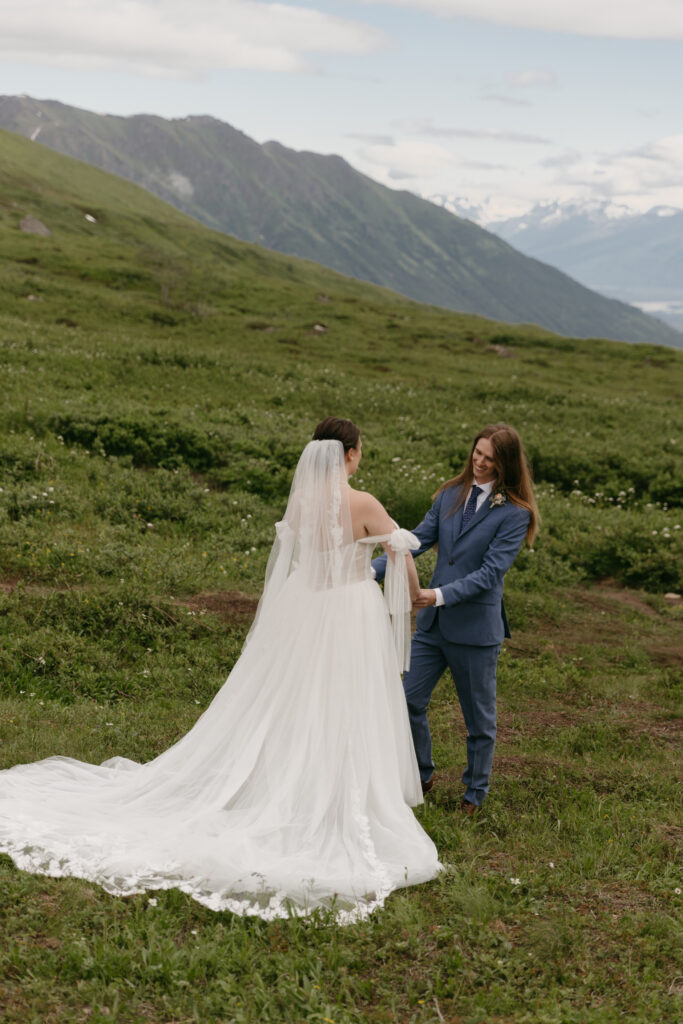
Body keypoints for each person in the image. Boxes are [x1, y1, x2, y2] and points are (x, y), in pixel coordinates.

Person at [0, 418, 441, 923]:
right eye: (359, 451)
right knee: (344, 697)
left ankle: (280, 776)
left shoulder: (301, 502)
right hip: (346, 613)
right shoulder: (362, 503)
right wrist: (413, 596)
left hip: (302, 609)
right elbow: (400, 550)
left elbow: (296, 558)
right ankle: (338, 789)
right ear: (351, 454)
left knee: (290, 699)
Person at [373, 423, 538, 815]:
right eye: (477, 454)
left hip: (474, 631)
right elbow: (414, 541)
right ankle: (422, 773)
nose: (479, 463)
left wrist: (436, 595)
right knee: (407, 700)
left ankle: (473, 795)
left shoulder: (515, 514)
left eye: (490, 459)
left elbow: (490, 574)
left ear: (506, 464)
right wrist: (368, 571)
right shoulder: (449, 495)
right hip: (432, 630)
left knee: (478, 720)